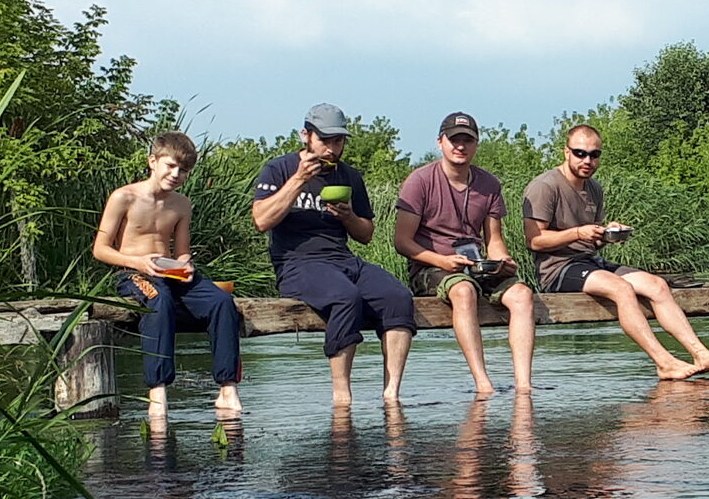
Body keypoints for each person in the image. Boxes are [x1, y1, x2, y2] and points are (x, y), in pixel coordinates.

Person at [522, 124, 709, 380]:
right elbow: (534, 241)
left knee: (657, 285)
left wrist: (607, 235)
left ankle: (701, 353)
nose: (587, 160)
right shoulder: (545, 186)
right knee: (622, 288)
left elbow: (591, 240)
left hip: (589, 261)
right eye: (580, 153)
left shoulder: (594, 188)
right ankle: (664, 362)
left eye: (594, 154)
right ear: (566, 152)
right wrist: (578, 232)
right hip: (557, 269)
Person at [252, 103, 417, 406]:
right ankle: (342, 396)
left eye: (337, 141)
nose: (331, 148)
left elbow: (366, 235)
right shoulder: (280, 169)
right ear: (306, 136)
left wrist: (348, 216)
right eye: (325, 140)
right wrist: (299, 180)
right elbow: (261, 220)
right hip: (296, 263)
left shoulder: (348, 176)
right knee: (345, 296)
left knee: (397, 297)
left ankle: (391, 394)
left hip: (342, 259)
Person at [93, 131, 242, 417]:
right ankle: (157, 391)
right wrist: (137, 263)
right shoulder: (124, 197)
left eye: (183, 170)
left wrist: (186, 265)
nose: (176, 174)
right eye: (170, 166)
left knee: (222, 302)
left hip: (170, 271)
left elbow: (182, 250)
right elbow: (100, 249)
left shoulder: (182, 204)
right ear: (153, 161)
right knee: (157, 301)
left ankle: (227, 388)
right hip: (132, 272)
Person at [394, 112, 536, 397]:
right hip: (431, 265)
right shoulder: (419, 181)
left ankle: (523, 384)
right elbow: (402, 242)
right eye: (454, 140)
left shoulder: (489, 185)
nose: (460, 146)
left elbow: (493, 239)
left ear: (476, 145)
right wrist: (443, 261)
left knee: (522, 294)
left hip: (476, 263)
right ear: (440, 142)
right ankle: (483, 383)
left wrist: (502, 262)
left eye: (467, 141)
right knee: (463, 291)